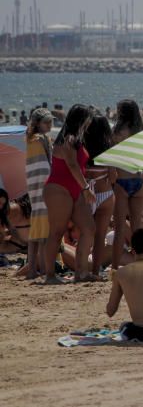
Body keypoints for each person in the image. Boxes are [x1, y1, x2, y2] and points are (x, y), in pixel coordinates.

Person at [42, 104, 95, 284]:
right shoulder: (68, 138)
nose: (90, 122)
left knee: (89, 228)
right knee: (56, 233)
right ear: (81, 119)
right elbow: (72, 165)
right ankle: (49, 275)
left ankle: (81, 272)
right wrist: (87, 189)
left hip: (76, 188)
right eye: (88, 118)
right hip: (58, 188)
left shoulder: (77, 139)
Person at [111, 100, 143, 267]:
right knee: (136, 228)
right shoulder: (142, 132)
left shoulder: (116, 132)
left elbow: (108, 157)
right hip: (138, 182)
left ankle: (116, 267)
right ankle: (139, 263)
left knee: (119, 230)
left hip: (121, 180)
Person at [82, 113, 116, 279]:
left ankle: (82, 270)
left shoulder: (81, 147)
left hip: (86, 195)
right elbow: (114, 176)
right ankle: (95, 271)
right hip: (105, 194)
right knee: (100, 235)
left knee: (85, 234)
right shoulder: (108, 148)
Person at [21, 108, 53, 279]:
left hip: (34, 186)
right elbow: (46, 165)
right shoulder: (41, 139)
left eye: (50, 121)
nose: (49, 124)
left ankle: (33, 269)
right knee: (43, 231)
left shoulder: (30, 139)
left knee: (36, 229)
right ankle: (41, 269)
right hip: (43, 186)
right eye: (46, 121)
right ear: (37, 123)